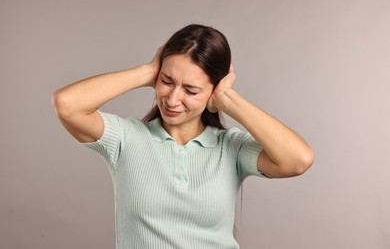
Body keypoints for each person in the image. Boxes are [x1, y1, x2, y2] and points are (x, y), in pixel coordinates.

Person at [52, 24, 314, 249]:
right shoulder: (126, 139)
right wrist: (147, 72)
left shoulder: (231, 148)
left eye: (191, 90)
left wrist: (227, 99)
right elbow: (67, 104)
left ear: (213, 91)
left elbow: (298, 159)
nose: (173, 99)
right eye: (167, 81)